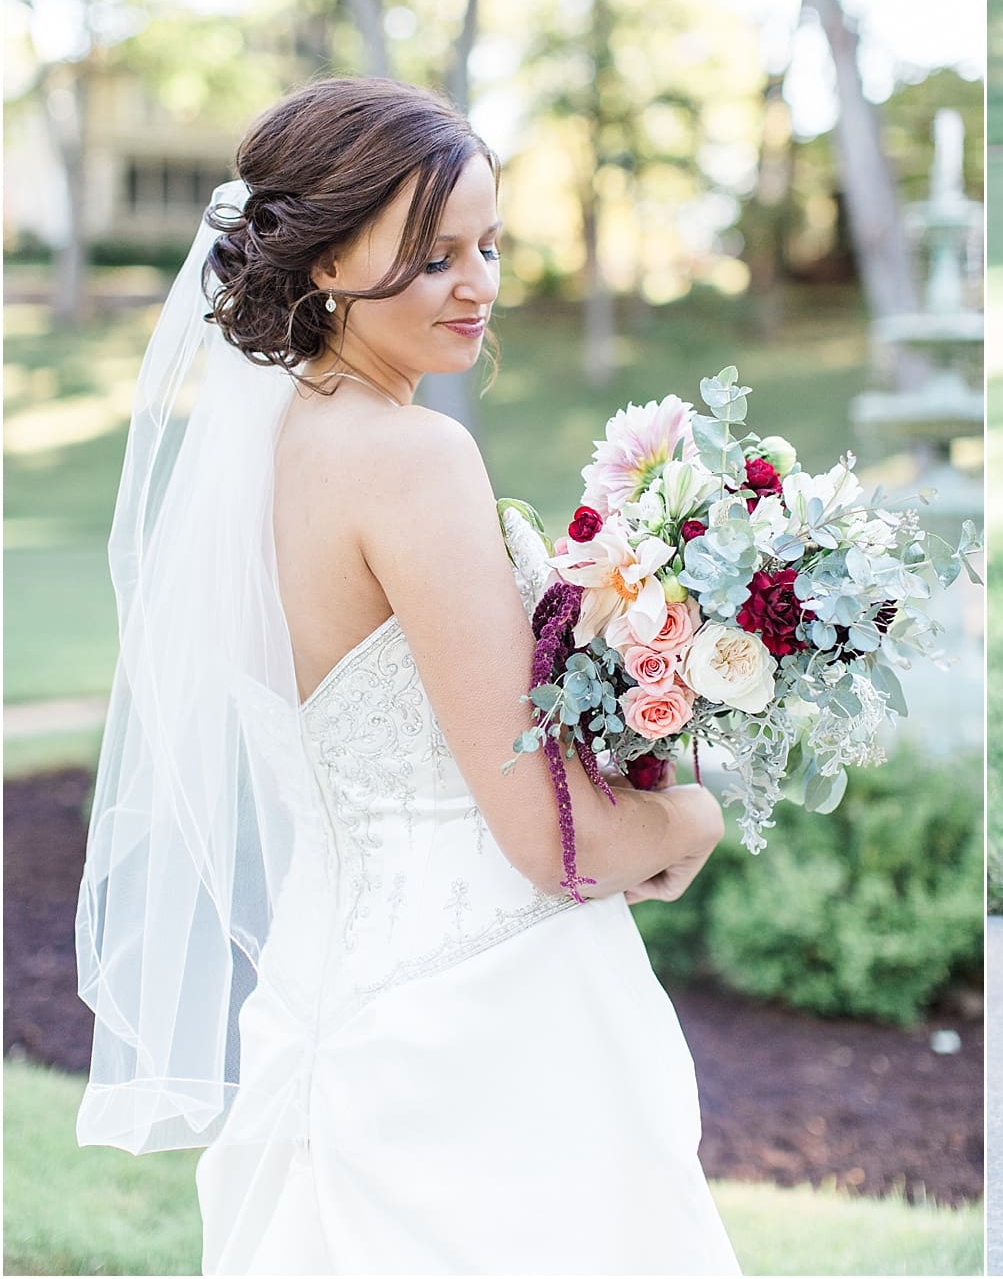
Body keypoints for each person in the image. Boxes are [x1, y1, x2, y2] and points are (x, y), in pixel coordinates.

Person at [75, 77, 739, 1274]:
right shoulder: (412, 458)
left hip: (325, 992)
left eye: (487, 245)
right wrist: (687, 816)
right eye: (433, 257)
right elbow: (545, 834)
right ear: (326, 260)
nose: (478, 285)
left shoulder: (262, 452)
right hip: (486, 1022)